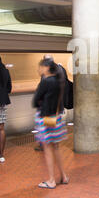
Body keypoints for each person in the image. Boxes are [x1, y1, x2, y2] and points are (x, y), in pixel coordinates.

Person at [33, 58, 69, 189]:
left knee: (47, 148)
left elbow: (35, 100)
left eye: (40, 67)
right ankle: (63, 176)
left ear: (46, 67)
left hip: (46, 117)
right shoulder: (59, 80)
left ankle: (51, 180)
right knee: (56, 147)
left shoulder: (46, 81)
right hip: (56, 116)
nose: (39, 69)